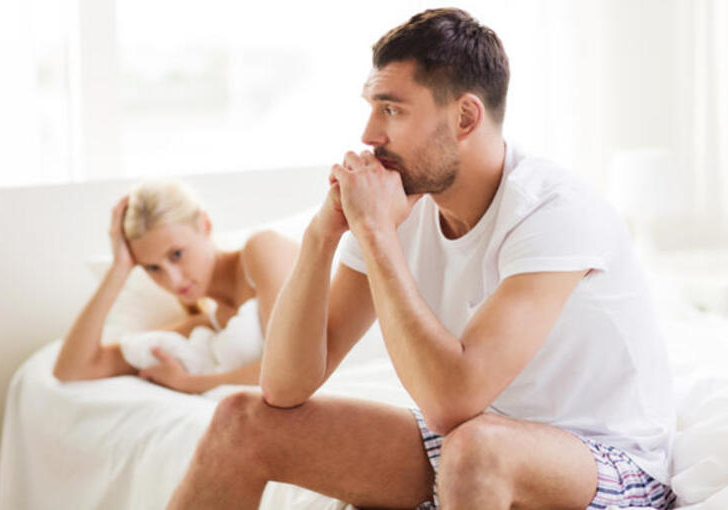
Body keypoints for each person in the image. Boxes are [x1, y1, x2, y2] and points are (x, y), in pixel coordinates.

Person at [167, 8, 676, 510]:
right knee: (241, 421)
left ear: (465, 118)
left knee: (476, 449)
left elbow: (451, 403)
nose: (369, 134)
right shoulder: (401, 209)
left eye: (392, 110)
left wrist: (376, 232)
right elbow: (282, 387)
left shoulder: (553, 211)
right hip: (477, 442)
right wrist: (321, 235)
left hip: (606, 460)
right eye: (372, 108)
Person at [52, 180, 299, 394]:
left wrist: (189, 383)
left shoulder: (264, 249)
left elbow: (289, 366)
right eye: (152, 268)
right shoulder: (207, 326)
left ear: (205, 224)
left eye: (177, 254)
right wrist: (119, 269)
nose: (173, 280)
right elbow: (72, 369)